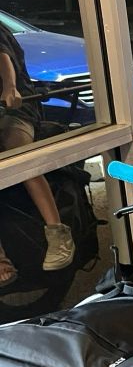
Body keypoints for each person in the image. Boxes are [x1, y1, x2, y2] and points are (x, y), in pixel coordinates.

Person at [0, 21, 75, 287]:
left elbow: (3, 58)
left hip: (15, 109)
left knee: (17, 155)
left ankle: (58, 233)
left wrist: (9, 87)